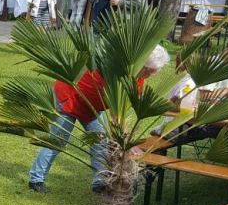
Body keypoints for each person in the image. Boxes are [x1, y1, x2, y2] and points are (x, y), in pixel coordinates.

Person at [28, 45, 170, 193]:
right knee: (58, 140)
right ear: (142, 64)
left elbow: (139, 100)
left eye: (154, 72)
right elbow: (116, 117)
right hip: (69, 97)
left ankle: (99, 182)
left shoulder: (138, 77)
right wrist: (128, 143)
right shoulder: (116, 71)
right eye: (149, 71)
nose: (150, 75)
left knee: (101, 141)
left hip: (92, 107)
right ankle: (36, 179)